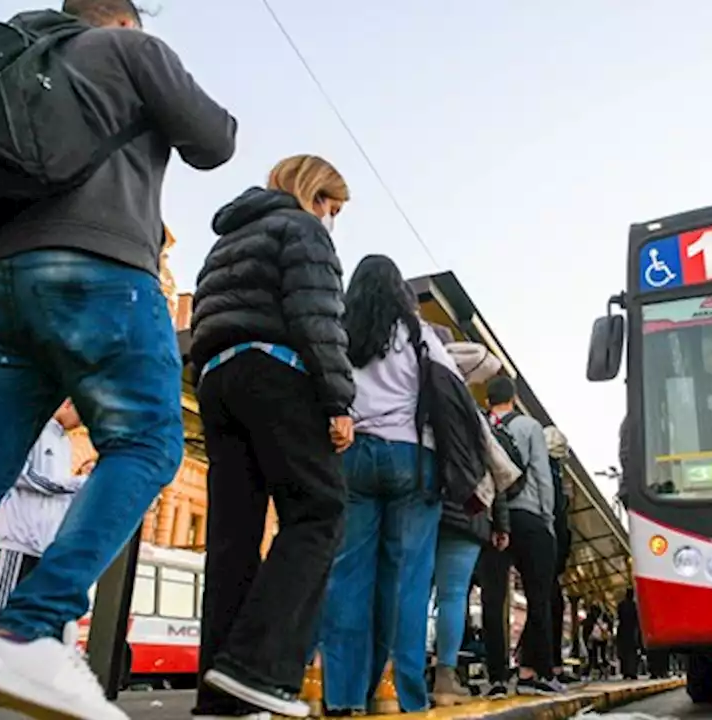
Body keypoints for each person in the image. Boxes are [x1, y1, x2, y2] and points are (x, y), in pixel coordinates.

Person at [0, 0, 236, 718]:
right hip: (102, 271)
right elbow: (216, 140)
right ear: (120, 19)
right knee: (146, 443)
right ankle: (29, 631)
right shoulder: (124, 51)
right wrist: (150, 70)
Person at [188, 155, 355, 718]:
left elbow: (207, 318)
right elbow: (319, 318)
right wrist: (337, 402)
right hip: (277, 372)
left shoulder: (225, 241)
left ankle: (219, 697)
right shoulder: (301, 229)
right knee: (320, 511)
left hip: (217, 380)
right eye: (330, 205)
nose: (331, 218)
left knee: (233, 538)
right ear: (313, 194)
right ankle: (257, 668)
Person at [318, 255, 459, 714]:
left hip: (352, 456)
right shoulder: (418, 334)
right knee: (407, 582)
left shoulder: (340, 330)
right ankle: (405, 697)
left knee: (348, 577)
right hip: (412, 459)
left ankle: (343, 697)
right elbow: (454, 387)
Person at [429, 333, 517, 707]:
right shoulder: (471, 410)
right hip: (468, 509)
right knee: (452, 597)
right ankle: (445, 680)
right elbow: (493, 473)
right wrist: (501, 524)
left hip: (426, 501)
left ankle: (402, 674)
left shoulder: (417, 392)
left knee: (416, 591)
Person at [477, 376, 562, 697]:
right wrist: (548, 519)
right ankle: (535, 673)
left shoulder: (481, 424)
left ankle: (497, 677)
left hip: (491, 518)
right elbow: (542, 474)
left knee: (493, 597)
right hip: (528, 517)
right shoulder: (529, 427)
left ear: (488, 401)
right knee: (538, 596)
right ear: (513, 398)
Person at [0, 400, 87, 631]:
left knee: (26, 606)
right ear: (67, 404)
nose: (81, 423)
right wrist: (76, 484)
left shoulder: (65, 443)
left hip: (44, 541)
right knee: (2, 603)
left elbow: (57, 490)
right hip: (20, 537)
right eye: (81, 415)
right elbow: (25, 476)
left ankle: (12, 656)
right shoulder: (31, 430)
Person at [543, 425, 577, 683]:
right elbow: (557, 516)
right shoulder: (550, 475)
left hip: (552, 550)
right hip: (549, 549)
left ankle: (551, 664)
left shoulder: (553, 474)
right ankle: (548, 665)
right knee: (549, 605)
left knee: (552, 604)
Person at [615, 589, 641, 680]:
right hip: (632, 631)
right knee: (632, 653)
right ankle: (632, 671)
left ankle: (625, 672)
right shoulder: (635, 606)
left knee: (624, 653)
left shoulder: (621, 605)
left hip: (623, 630)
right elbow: (638, 619)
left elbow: (618, 617)